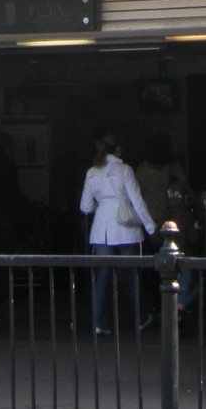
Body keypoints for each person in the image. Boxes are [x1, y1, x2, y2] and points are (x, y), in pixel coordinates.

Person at [80, 133, 157, 336]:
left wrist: (102, 203)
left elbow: (85, 207)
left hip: (101, 229)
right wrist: (150, 226)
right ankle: (140, 318)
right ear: (118, 150)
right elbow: (137, 201)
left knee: (102, 276)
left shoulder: (91, 173)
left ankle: (99, 322)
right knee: (132, 274)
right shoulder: (125, 170)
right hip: (125, 227)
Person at [136, 133, 197, 318]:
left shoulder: (141, 171)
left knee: (153, 267)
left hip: (151, 222)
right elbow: (188, 192)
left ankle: (155, 304)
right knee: (178, 265)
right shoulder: (173, 169)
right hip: (173, 221)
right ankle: (177, 306)